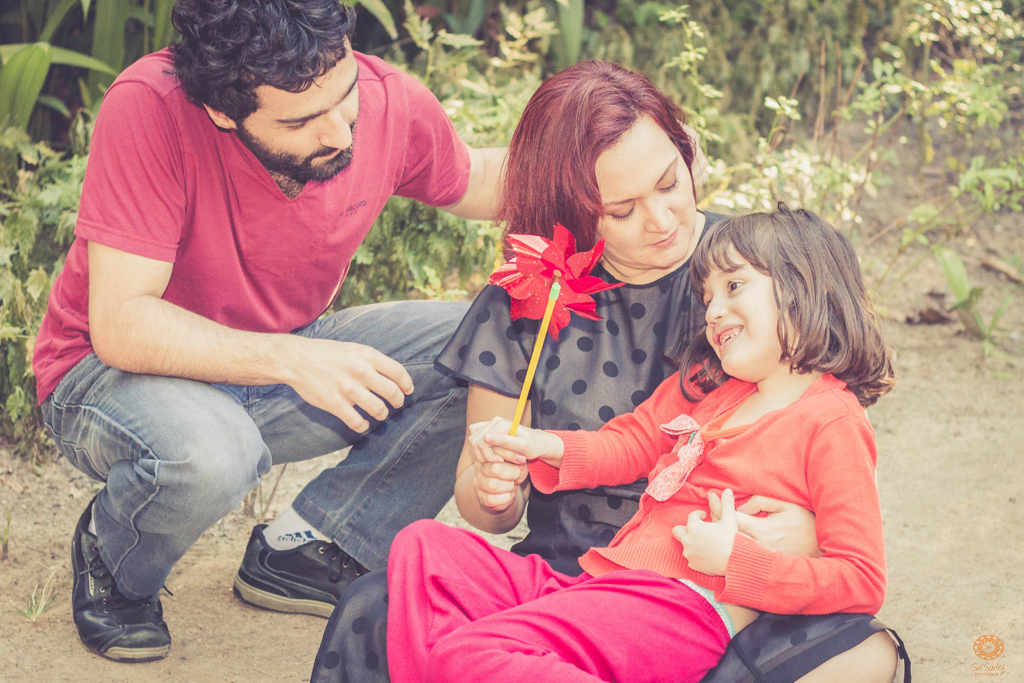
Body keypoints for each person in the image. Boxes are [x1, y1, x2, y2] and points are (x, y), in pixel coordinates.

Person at [311, 62, 904, 683]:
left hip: (709, 591)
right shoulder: (533, 302)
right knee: (389, 589)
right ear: (571, 212)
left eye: (670, 182)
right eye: (621, 210)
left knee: (854, 648)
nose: (663, 221)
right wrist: (499, 480)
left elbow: (822, 431)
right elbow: (608, 451)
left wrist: (795, 534)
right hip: (582, 571)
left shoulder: (749, 264)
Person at [34, 0, 506, 663]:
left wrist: (621, 176)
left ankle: (322, 546)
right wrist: (291, 358)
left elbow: (481, 177)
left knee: (489, 338)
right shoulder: (149, 106)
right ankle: (116, 557)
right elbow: (121, 323)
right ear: (224, 111)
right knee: (211, 453)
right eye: (302, 120)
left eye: (344, 102)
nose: (340, 133)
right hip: (107, 377)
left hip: (272, 364)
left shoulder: (381, 98)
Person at [386, 204, 895, 682]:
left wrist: (736, 561)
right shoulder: (707, 386)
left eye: (734, 286)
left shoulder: (832, 422)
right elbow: (630, 442)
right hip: (605, 584)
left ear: (806, 288)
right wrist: (544, 446)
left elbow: (861, 578)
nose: (714, 310)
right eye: (708, 297)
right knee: (424, 547)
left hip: (682, 607)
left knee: (472, 653)